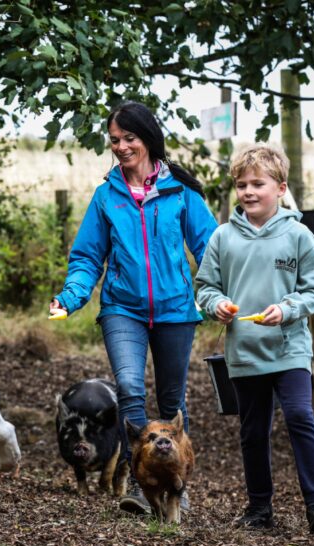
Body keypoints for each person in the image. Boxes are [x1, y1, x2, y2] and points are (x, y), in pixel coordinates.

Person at [49, 101, 217, 515]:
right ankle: (142, 485)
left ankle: (177, 485)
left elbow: (212, 249)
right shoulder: (108, 196)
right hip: (122, 308)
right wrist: (71, 297)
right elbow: (88, 257)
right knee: (129, 389)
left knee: (173, 399)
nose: (121, 147)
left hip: (177, 310)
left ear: (148, 139)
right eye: (115, 140)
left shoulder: (180, 192)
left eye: (130, 138)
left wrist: (227, 293)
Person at [195, 144, 314, 534]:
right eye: (241, 185)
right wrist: (218, 304)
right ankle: (259, 508)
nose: (248, 192)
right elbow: (205, 287)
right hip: (244, 352)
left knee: (299, 416)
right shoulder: (223, 237)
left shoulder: (298, 235)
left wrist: (288, 308)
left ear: (280, 187)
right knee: (253, 430)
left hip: (289, 347)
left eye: (258, 183)